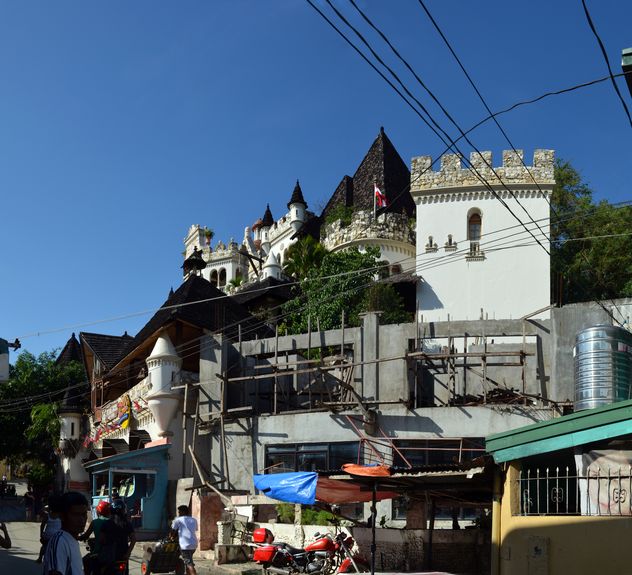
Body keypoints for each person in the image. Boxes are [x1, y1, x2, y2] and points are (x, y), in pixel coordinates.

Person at [42, 491, 89, 575]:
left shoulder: (72, 540)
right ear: (62, 516)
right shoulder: (60, 541)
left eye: (84, 514)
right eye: (76, 515)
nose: (82, 520)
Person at [99, 498, 135, 575]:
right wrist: (128, 554)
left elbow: (101, 540)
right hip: (123, 556)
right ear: (123, 511)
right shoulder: (127, 524)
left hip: (109, 556)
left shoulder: (106, 524)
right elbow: (133, 539)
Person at [80, 499, 111, 575]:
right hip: (114, 554)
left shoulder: (95, 522)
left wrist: (77, 537)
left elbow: (86, 535)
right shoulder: (114, 522)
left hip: (99, 553)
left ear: (98, 511)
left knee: (84, 561)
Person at [171, 505, 199, 575]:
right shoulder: (194, 520)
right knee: (188, 561)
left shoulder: (178, 520)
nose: (179, 513)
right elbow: (194, 530)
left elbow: (173, 531)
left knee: (189, 564)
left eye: (179, 512)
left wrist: (171, 537)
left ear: (183, 512)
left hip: (185, 545)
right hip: (194, 544)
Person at [37, 496, 62, 563]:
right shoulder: (60, 515)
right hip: (57, 536)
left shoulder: (47, 515)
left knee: (44, 546)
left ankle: (40, 558)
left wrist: (41, 534)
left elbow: (42, 525)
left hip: (48, 535)